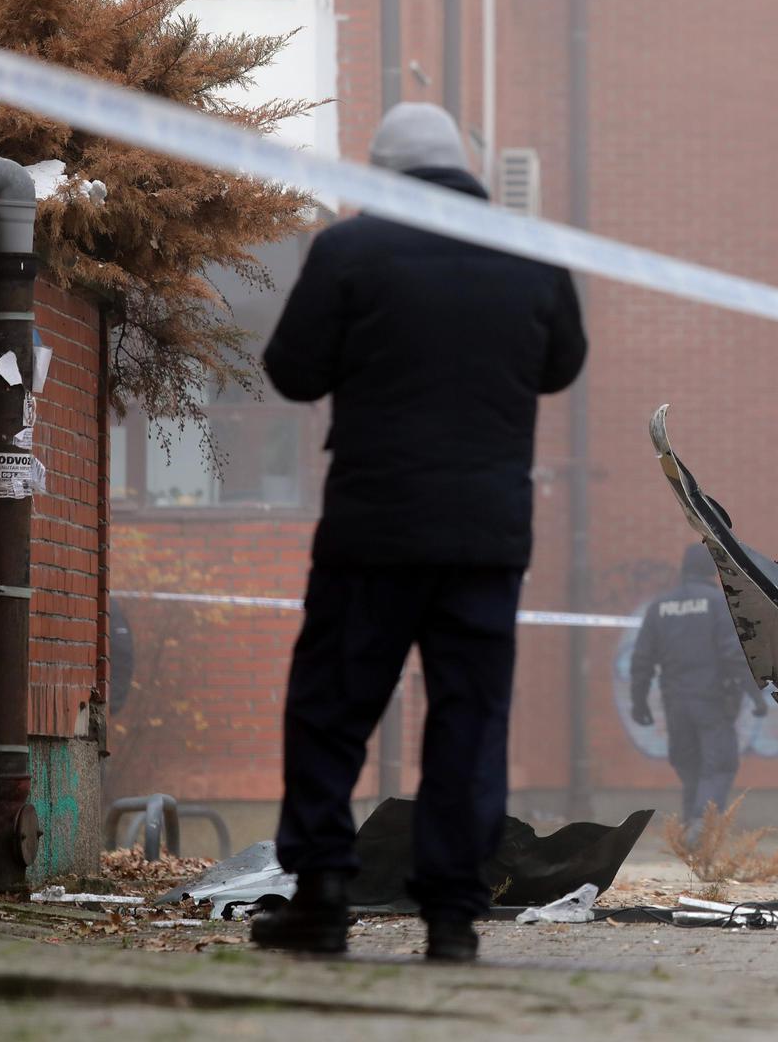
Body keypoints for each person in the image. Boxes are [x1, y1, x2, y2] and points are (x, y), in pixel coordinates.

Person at [250, 103, 586, 961]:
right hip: (486, 538)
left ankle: (321, 895)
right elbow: (562, 365)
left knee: (332, 707)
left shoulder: (349, 251)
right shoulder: (530, 254)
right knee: (468, 720)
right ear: (463, 168)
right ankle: (452, 919)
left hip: (375, 528)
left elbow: (291, 371)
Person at [630, 543, 766, 839]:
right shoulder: (718, 603)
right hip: (712, 702)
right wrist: (756, 696)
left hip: (675, 705)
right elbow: (733, 654)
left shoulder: (660, 607)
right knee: (719, 765)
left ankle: (690, 829)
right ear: (711, 571)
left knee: (689, 766)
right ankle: (698, 827)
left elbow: (641, 660)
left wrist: (638, 702)